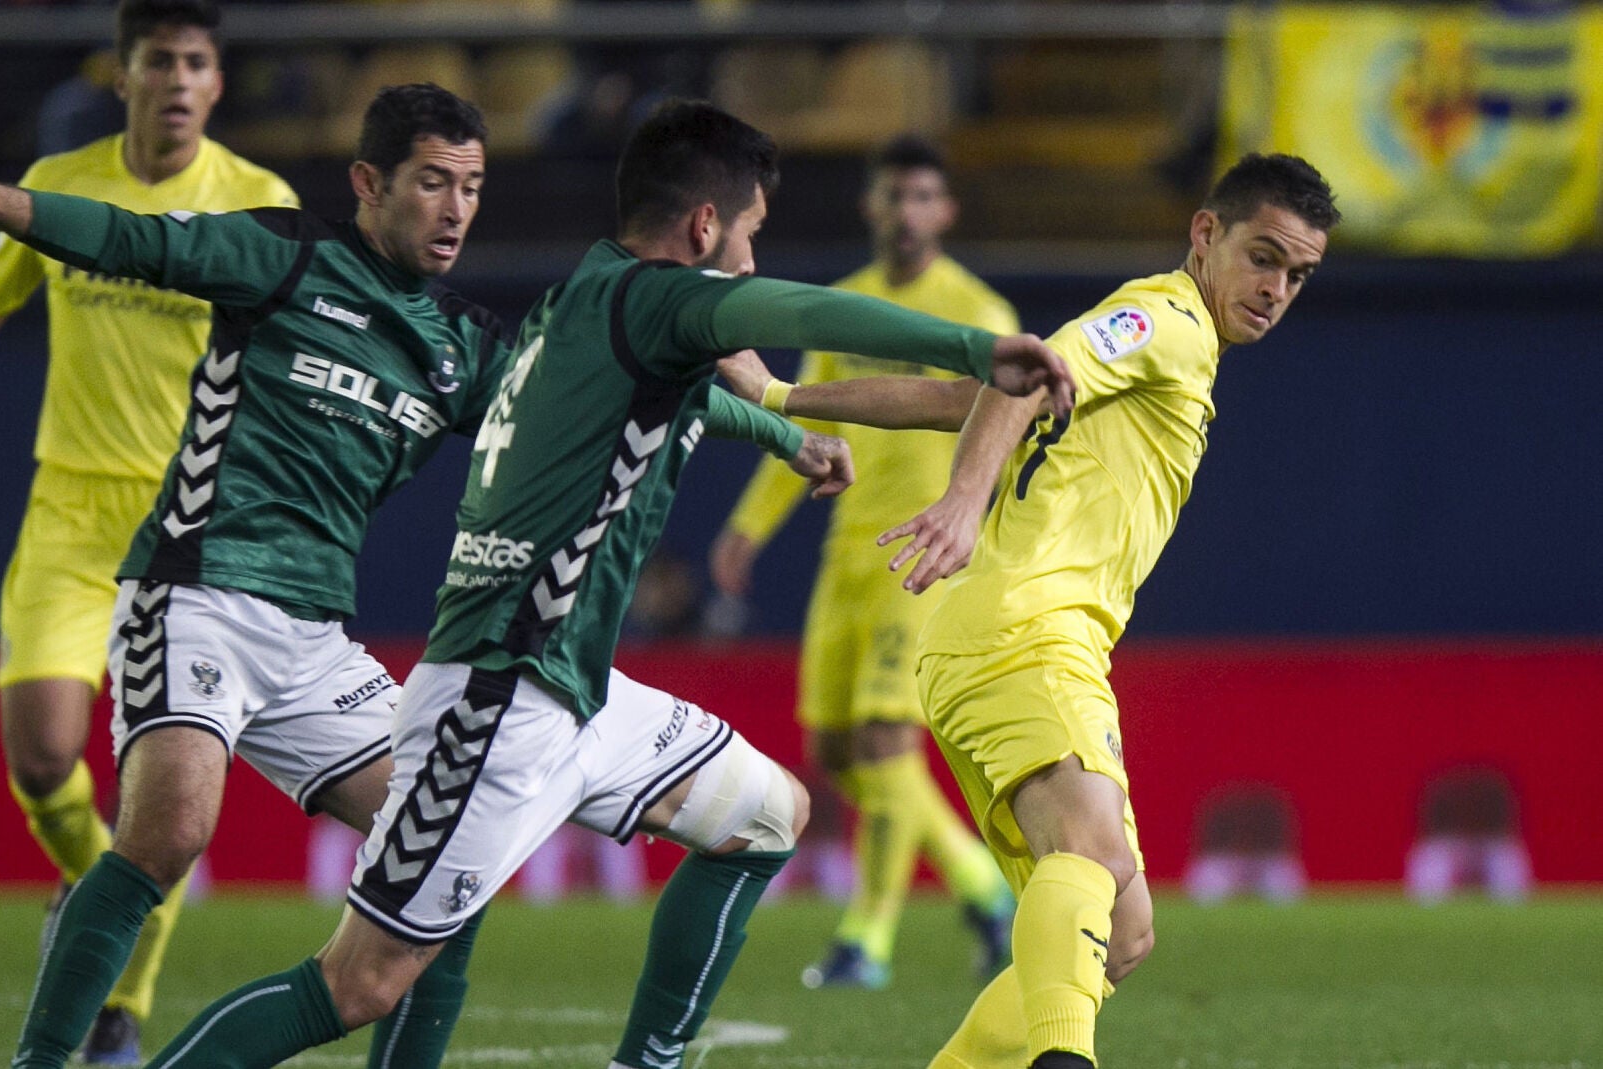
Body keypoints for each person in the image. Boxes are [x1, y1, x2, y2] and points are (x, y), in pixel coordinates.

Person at [0, 86, 852, 1069]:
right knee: (169, 832)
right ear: (368, 184)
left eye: (471, 185)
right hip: (197, 590)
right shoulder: (284, 255)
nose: (457, 208)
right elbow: (125, 239)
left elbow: (612, 390)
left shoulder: (461, 348)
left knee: (438, 862)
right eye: (433, 182)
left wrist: (781, 436)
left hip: (311, 643)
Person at [101, 98, 1076, 1069]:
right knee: (358, 981)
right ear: (704, 226)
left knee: (768, 814)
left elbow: (746, 385)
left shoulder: (587, 301)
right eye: (747, 233)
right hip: (497, 704)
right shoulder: (663, 299)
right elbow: (796, 309)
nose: (745, 257)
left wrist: (795, 427)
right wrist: (970, 347)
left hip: (575, 693)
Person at [736, 153, 1338, 1069]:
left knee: (1123, 930)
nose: (1276, 288)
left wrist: (782, 395)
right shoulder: (1167, 320)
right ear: (1206, 234)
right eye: (1263, 257)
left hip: (1024, 641)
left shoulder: (1180, 347)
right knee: (1092, 861)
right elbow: (1023, 375)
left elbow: (967, 394)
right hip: (1024, 629)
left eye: (1298, 274)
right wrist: (964, 505)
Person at [0, 2, 293, 1060]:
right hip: (69, 514)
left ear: (216, 84)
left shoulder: (256, 201)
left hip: (189, 530)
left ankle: (120, 992)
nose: (177, 80)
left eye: (195, 62)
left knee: (162, 786)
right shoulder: (62, 181)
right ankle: (98, 887)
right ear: (122, 75)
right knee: (44, 759)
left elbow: (286, 349)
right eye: (158, 62)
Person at [710, 133, 1016, 991]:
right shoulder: (843, 305)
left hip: (921, 556)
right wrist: (749, 524)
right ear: (872, 207)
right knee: (841, 752)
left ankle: (866, 941)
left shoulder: (977, 311)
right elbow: (812, 425)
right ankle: (983, 888)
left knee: (886, 745)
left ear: (945, 211)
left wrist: (973, 530)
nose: (908, 211)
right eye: (894, 195)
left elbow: (1000, 428)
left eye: (924, 196)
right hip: (845, 554)